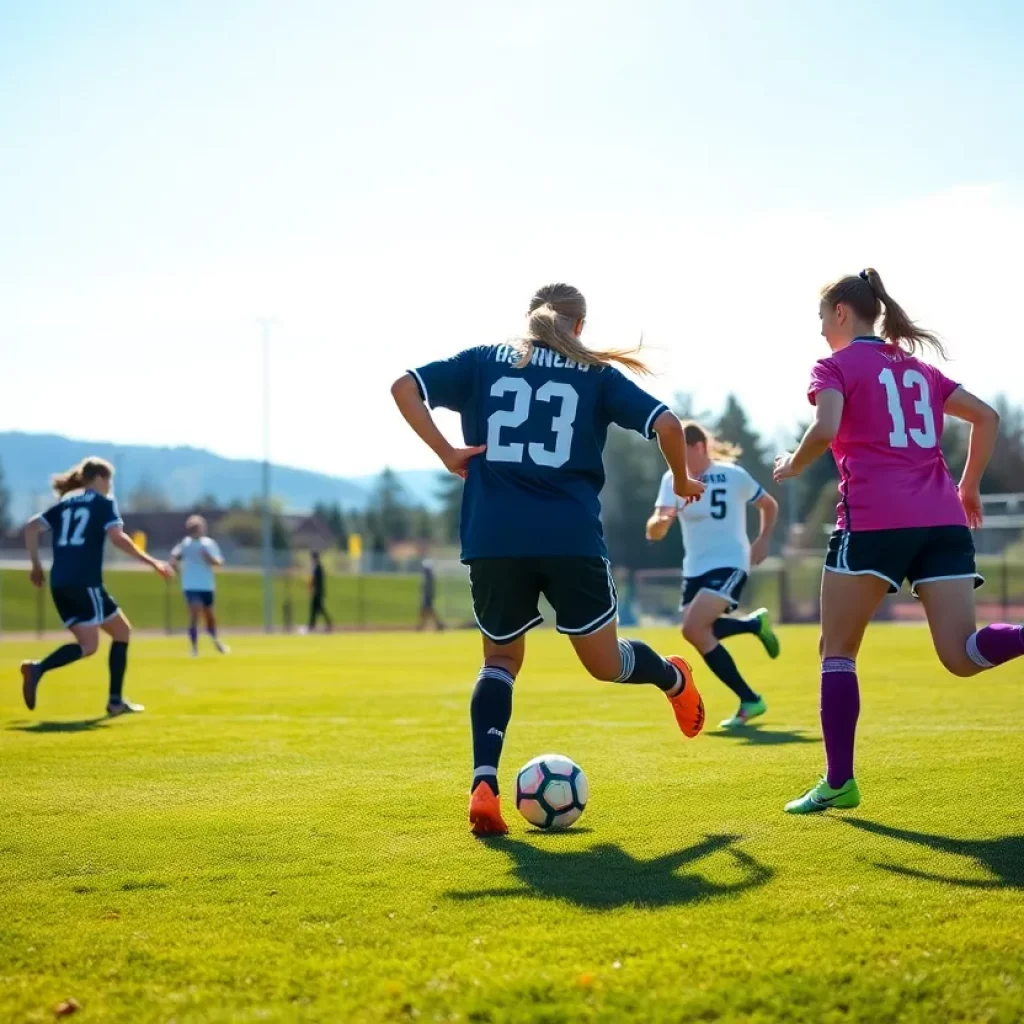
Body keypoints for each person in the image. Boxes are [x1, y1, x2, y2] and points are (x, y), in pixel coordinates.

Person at [391, 282, 707, 836]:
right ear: (580, 327)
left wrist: (446, 453)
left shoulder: (482, 362)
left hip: (494, 538)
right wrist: (681, 479)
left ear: (530, 318)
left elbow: (403, 387)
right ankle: (671, 679)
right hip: (570, 540)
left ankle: (484, 782)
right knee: (605, 665)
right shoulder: (598, 377)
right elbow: (668, 425)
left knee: (500, 662)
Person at [774, 268, 1023, 814]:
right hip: (942, 520)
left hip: (875, 520)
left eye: (821, 318)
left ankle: (839, 782)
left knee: (836, 652)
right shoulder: (917, 369)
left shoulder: (834, 365)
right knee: (962, 656)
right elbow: (987, 417)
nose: (819, 331)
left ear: (842, 312)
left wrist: (791, 465)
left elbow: (824, 428)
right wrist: (968, 485)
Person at [646, 423, 780, 728]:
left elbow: (768, 504)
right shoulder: (672, 479)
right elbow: (654, 526)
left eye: (682, 452)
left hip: (731, 562)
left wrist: (763, 540)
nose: (676, 460)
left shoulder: (733, 475)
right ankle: (754, 630)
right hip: (694, 568)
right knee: (699, 631)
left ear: (698, 447)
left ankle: (750, 698)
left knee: (692, 627)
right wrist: (660, 521)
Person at [19, 457, 174, 715]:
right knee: (89, 646)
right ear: (100, 478)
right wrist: (153, 562)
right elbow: (118, 538)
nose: (110, 486)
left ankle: (115, 702)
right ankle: (37, 668)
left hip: (61, 581)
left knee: (122, 631)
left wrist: (35, 565)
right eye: (109, 480)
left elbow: (31, 527)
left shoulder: (66, 503)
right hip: (84, 581)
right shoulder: (104, 504)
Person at [170, 515, 229, 655]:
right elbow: (174, 557)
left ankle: (216, 641)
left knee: (209, 616)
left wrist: (208, 558)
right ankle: (194, 648)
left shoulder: (208, 544)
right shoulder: (185, 544)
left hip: (206, 585)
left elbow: (219, 562)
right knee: (194, 614)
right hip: (190, 585)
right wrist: (175, 568)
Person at [307, 551, 333, 633]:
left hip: (318, 592)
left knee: (319, 609)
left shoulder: (318, 568)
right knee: (314, 609)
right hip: (317, 592)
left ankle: (327, 623)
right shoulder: (316, 568)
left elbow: (318, 581)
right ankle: (312, 625)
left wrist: (313, 589)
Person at [418, 558, 445, 631]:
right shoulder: (428, 576)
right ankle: (437, 625)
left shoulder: (428, 576)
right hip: (427, 596)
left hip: (427, 597)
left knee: (427, 611)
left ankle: (422, 626)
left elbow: (427, 589)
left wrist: (425, 597)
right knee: (427, 611)